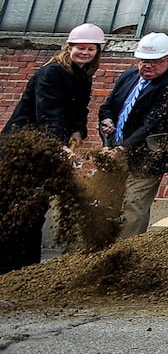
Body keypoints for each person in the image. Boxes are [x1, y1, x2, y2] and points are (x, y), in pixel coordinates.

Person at [1, 23, 104, 273]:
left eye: (91, 49)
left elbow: (79, 109)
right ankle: (8, 268)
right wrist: (59, 146)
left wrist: (79, 130)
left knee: (37, 208)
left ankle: (26, 269)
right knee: (16, 209)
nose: (85, 52)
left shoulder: (82, 75)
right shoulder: (51, 74)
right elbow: (49, 114)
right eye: (81, 48)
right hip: (22, 150)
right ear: (69, 47)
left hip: (46, 151)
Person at [97, 32, 168, 238]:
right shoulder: (128, 77)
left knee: (133, 206)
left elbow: (152, 125)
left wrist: (123, 148)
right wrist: (107, 121)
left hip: (147, 158)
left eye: (154, 62)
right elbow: (108, 106)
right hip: (115, 153)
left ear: (167, 60)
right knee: (108, 202)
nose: (148, 66)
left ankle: (127, 252)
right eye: (144, 61)